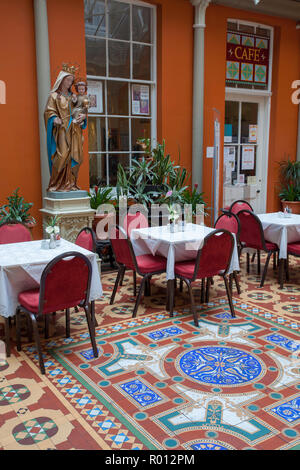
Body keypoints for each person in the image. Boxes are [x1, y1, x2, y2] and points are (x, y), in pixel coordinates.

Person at [44, 70, 87, 192]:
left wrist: (83, 117)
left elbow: (81, 110)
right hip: (62, 130)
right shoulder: (54, 96)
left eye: (71, 81)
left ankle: (71, 183)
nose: (69, 83)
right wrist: (54, 118)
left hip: (74, 130)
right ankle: (57, 184)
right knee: (62, 154)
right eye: (67, 80)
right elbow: (48, 111)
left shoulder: (74, 97)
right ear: (61, 80)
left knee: (76, 156)